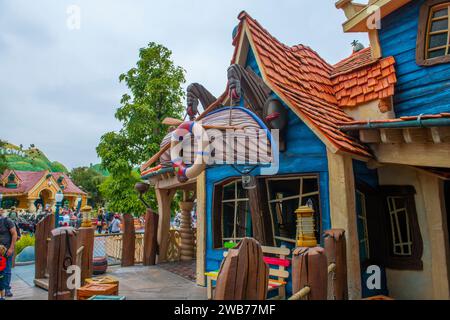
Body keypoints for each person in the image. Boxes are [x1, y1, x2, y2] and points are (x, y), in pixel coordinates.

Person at [0, 209, 18, 298]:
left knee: (6, 270)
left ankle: (7, 289)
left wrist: (11, 248)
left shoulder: (7, 221)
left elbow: (14, 234)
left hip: (7, 250)